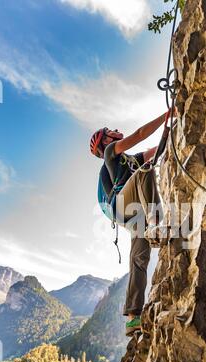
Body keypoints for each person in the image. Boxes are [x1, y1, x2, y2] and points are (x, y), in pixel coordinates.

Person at [90, 111, 170, 336]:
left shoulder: (132, 159)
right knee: (145, 171)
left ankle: (133, 317)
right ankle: (155, 223)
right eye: (110, 131)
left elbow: (158, 150)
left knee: (139, 258)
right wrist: (168, 114)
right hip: (123, 205)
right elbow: (141, 134)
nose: (115, 130)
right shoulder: (110, 154)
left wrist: (169, 132)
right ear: (105, 141)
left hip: (133, 214)